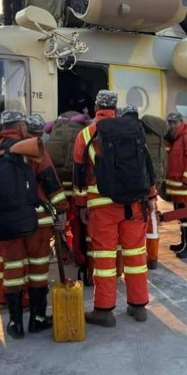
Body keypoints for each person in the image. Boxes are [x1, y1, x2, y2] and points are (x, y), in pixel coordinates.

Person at [73, 90, 150, 327]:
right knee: (135, 257)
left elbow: (79, 174)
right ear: (116, 108)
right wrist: (151, 196)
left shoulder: (86, 134)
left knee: (105, 259)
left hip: (102, 206)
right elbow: (146, 166)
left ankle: (104, 311)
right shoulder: (133, 129)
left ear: (96, 107)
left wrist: (81, 204)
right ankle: (138, 306)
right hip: (133, 204)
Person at [24, 114, 70, 332]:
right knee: (38, 268)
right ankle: (37, 318)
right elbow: (51, 181)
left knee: (13, 266)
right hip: (38, 219)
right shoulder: (37, 150)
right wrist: (61, 211)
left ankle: (15, 318)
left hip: (10, 221)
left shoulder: (4, 150)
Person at [164, 112, 187, 259]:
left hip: (185, 188)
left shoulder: (186, 138)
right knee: (181, 216)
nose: (172, 125)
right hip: (176, 188)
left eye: (175, 122)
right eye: (170, 123)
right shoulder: (173, 140)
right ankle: (184, 243)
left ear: (181, 122)